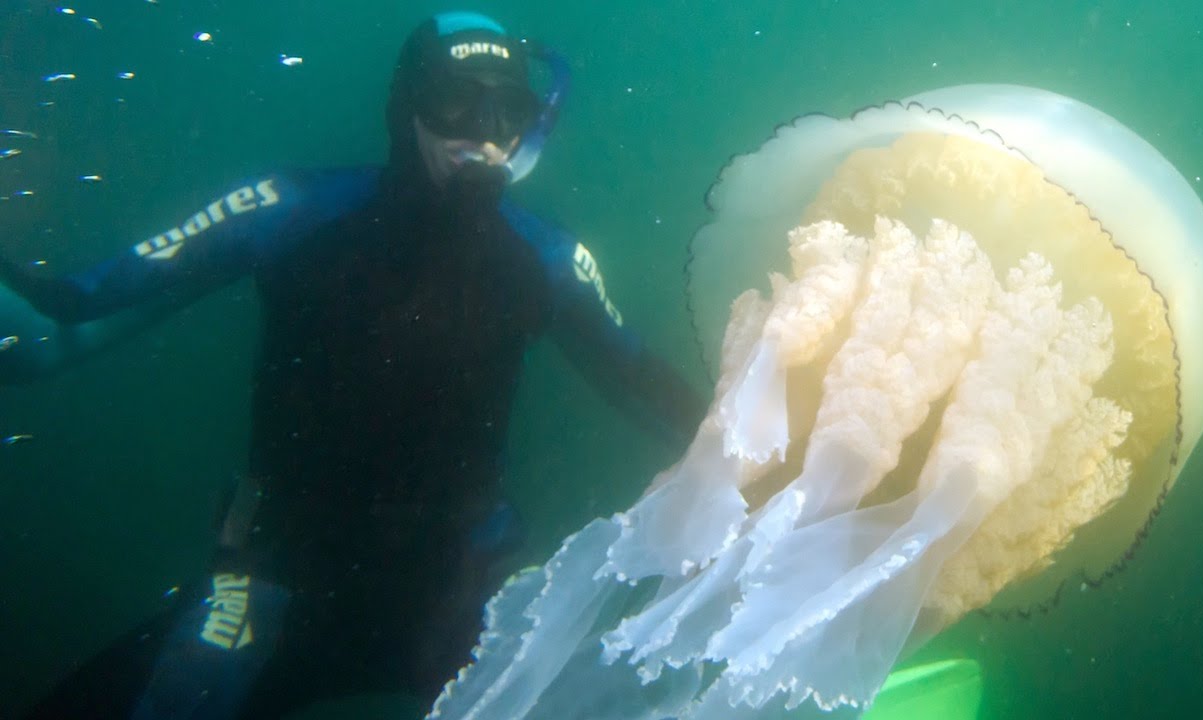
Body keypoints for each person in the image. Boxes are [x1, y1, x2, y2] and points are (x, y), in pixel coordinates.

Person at [1, 11, 704, 720]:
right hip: (274, 578)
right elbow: (64, 314)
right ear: (406, 105)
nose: (484, 130)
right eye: (455, 99)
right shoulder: (290, 209)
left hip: (462, 586)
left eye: (508, 108)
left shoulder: (545, 260)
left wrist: (798, 446)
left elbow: (650, 389)